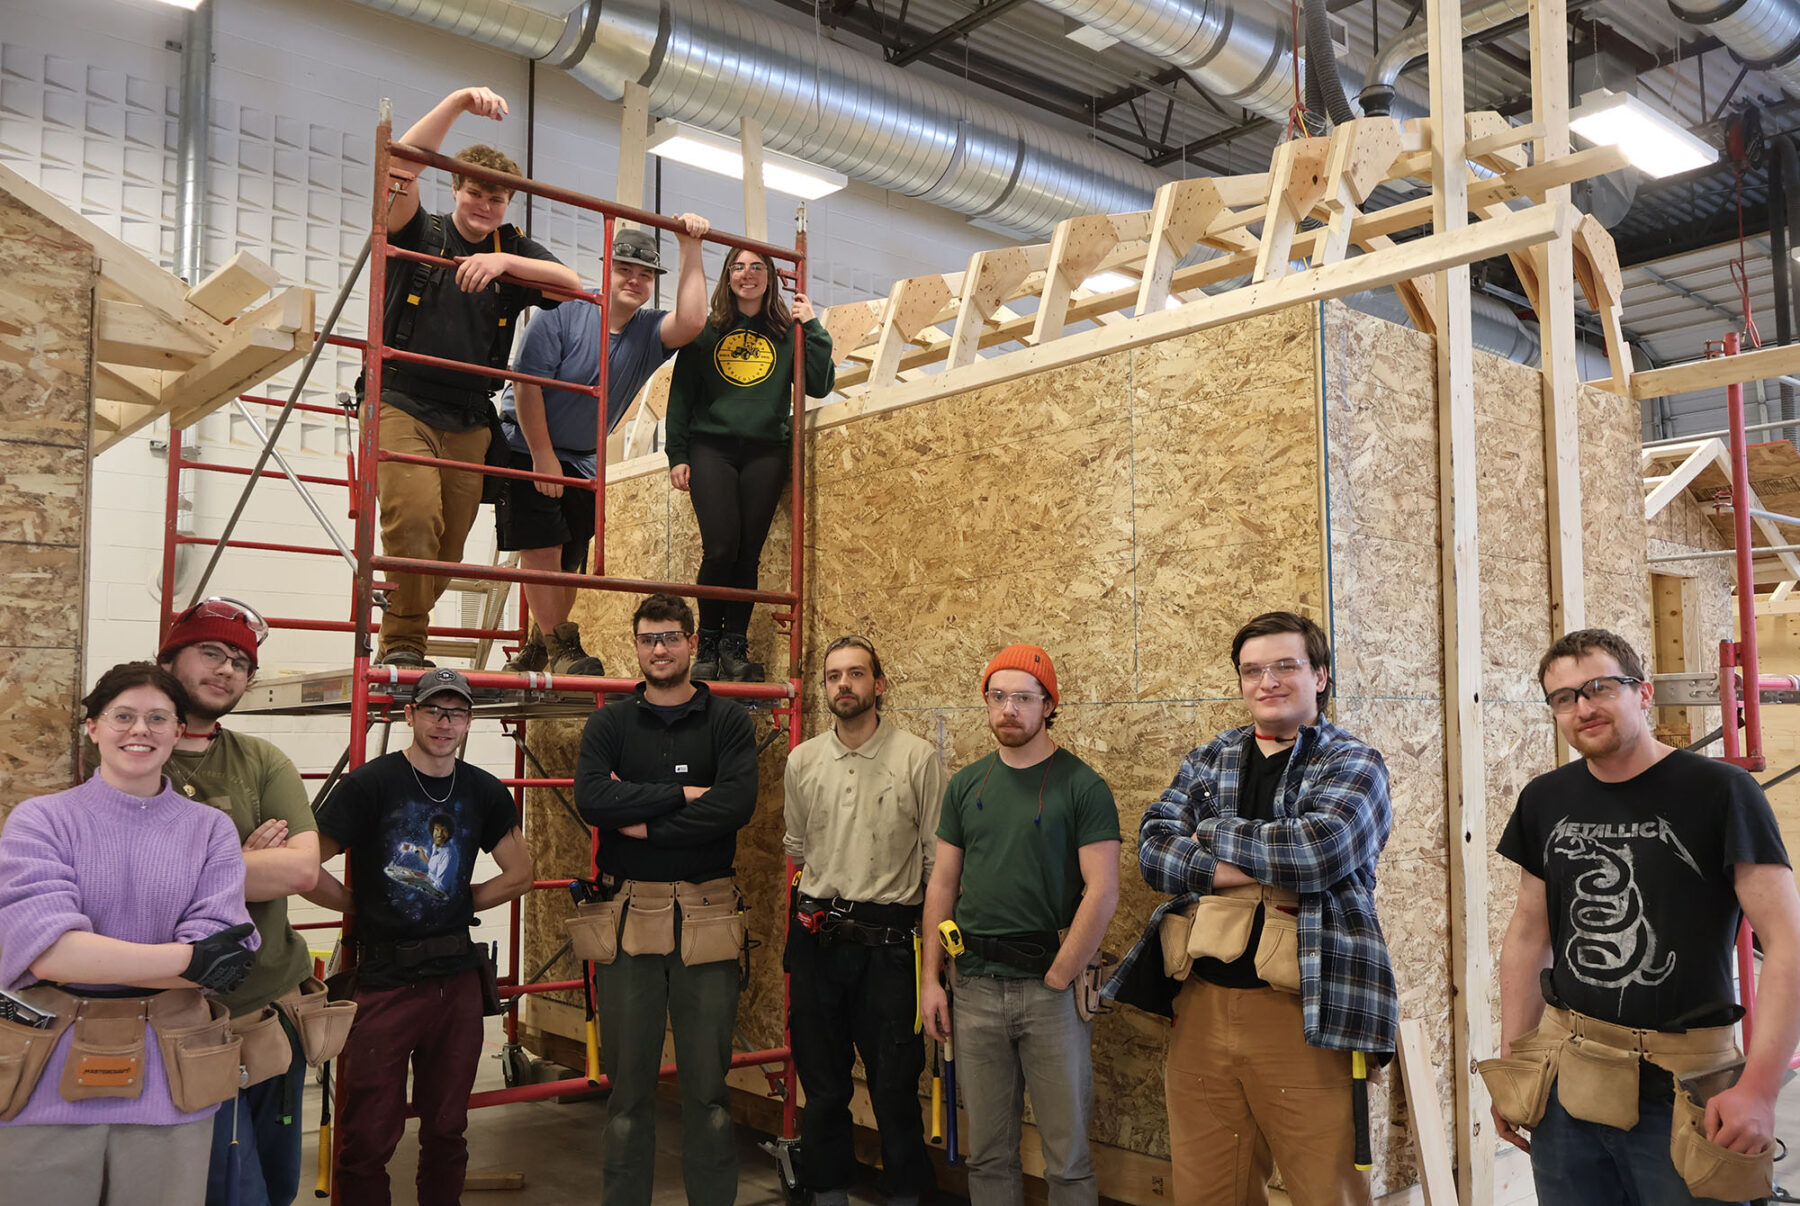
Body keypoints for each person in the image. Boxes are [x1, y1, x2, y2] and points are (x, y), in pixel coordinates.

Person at [1490, 628, 1800, 1206]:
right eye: (1564, 697)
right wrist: (1516, 1059)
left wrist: (1758, 1090)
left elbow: (1787, 945)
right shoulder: (1544, 799)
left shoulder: (1721, 791)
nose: (1583, 707)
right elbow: (1530, 934)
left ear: (1644, 692)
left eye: (1599, 687)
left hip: (1684, 1089)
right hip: (1566, 1078)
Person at [1108, 610, 1396, 1206]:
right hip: (1201, 1007)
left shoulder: (1354, 762)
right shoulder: (1211, 758)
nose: (1268, 681)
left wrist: (1208, 833)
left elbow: (1317, 853)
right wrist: (1256, 861)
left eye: (1285, 666)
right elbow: (1154, 852)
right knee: (1207, 1193)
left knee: (1328, 1192)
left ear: (1319, 675)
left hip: (1305, 1011)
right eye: (1252, 670)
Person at [0, 661, 260, 1203]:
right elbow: (49, 955)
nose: (140, 730)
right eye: (123, 715)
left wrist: (91, 955)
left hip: (172, 1077)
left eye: (157, 718)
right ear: (93, 727)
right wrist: (188, 960)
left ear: (177, 732)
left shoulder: (211, 829)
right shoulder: (40, 820)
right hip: (43, 1073)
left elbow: (226, 954)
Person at [366, 85, 582, 669]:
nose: (486, 204)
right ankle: (405, 642)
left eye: (498, 197)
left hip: (468, 415)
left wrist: (505, 262)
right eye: (476, 191)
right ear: (455, 188)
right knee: (413, 520)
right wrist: (458, 102)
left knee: (449, 546)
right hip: (402, 402)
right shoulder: (419, 230)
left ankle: (402, 618)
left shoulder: (508, 250)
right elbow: (399, 165)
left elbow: (576, 285)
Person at [307, 668, 535, 1206]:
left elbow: (520, 872)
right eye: (433, 710)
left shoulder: (482, 790)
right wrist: (357, 905)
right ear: (409, 715)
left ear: (469, 721)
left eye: (456, 712)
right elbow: (305, 865)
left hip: (454, 983)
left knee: (447, 1129)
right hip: (382, 982)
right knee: (366, 1138)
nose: (444, 722)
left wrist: (456, 902)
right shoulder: (369, 784)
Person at [572, 592, 759, 1206]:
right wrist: (683, 798)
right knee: (627, 1094)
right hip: (629, 918)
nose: (660, 649)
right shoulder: (609, 724)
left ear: (692, 643)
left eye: (671, 638)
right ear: (636, 646)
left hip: (707, 916)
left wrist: (644, 818)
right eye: (649, 638)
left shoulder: (728, 722)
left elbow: (734, 807)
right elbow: (595, 801)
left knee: (708, 1094)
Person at [919, 644, 1120, 1206]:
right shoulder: (966, 786)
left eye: (1024, 698)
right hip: (975, 988)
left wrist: (1060, 976)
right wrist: (931, 980)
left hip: (1051, 994)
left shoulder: (1083, 786)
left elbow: (1103, 892)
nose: (1009, 709)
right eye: (998, 696)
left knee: (1068, 1159)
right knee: (988, 1155)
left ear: (1049, 704)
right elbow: (942, 886)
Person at [156, 598, 322, 1206]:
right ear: (170, 658)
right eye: (210, 653)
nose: (226, 670)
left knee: (276, 1187)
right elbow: (124, 884)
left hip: (270, 1010)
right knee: (226, 1189)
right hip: (177, 1019)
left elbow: (301, 869)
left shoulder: (261, 760)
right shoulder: (132, 753)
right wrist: (242, 860)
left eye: (240, 663)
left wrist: (193, 865)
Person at [497, 216, 713, 676]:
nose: (635, 281)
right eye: (625, 270)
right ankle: (562, 645)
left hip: (583, 456)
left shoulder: (648, 330)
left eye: (646, 275)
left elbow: (693, 320)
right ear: (605, 269)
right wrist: (542, 458)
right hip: (528, 445)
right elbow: (527, 385)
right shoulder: (561, 313)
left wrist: (689, 246)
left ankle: (540, 642)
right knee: (541, 547)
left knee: (572, 554)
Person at [783, 635, 945, 1206]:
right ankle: (827, 1193)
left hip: (890, 946)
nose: (843, 685)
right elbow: (798, 849)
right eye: (833, 676)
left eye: (856, 674)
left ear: (880, 684)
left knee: (895, 1089)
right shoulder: (802, 760)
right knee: (823, 1090)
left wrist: (934, 966)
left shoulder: (917, 758)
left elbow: (936, 864)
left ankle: (904, 1194)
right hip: (817, 940)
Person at [665, 246, 837, 682]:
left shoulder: (785, 331)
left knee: (748, 554)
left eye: (757, 267)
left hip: (765, 450)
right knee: (721, 546)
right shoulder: (706, 329)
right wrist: (678, 454)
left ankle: (733, 645)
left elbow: (819, 382)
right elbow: (681, 394)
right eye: (738, 266)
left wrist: (812, 324)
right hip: (712, 448)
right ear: (727, 275)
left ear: (770, 277)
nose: (747, 274)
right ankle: (706, 640)